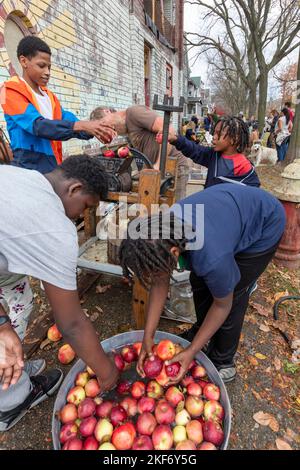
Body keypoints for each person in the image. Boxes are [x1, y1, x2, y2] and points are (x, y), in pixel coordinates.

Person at [119, 184, 286, 383]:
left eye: (154, 270)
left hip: (264, 222)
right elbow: (159, 283)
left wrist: (191, 351)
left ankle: (223, 361)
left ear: (174, 253)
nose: (155, 276)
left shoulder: (211, 257)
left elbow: (223, 305)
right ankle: (201, 332)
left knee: (233, 291)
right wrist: (148, 335)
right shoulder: (162, 233)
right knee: (199, 280)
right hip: (227, 215)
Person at [0, 155, 119, 431]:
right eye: (86, 207)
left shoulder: (23, 177)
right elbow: (72, 324)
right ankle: (10, 401)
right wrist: (108, 372)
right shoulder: (57, 229)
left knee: (21, 302)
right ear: (74, 189)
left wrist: (4, 324)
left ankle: (12, 368)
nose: (80, 215)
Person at [0, 36, 116, 174]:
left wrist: (97, 129)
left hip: (53, 165)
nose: (47, 72)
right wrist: (84, 125)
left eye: (49, 67)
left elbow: (69, 121)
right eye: (41, 66)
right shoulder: (7, 91)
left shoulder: (50, 97)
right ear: (23, 61)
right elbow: (38, 126)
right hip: (28, 168)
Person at [91, 105, 190, 201]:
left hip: (174, 169)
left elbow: (167, 130)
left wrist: (158, 165)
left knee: (176, 211)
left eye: (104, 124)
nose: (107, 129)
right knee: (160, 212)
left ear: (107, 111)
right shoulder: (127, 129)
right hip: (157, 172)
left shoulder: (134, 113)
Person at [165, 116, 260, 188]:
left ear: (234, 139)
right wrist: (175, 139)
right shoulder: (213, 156)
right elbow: (194, 149)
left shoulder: (245, 166)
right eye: (214, 132)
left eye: (219, 134)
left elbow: (252, 193)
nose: (214, 137)